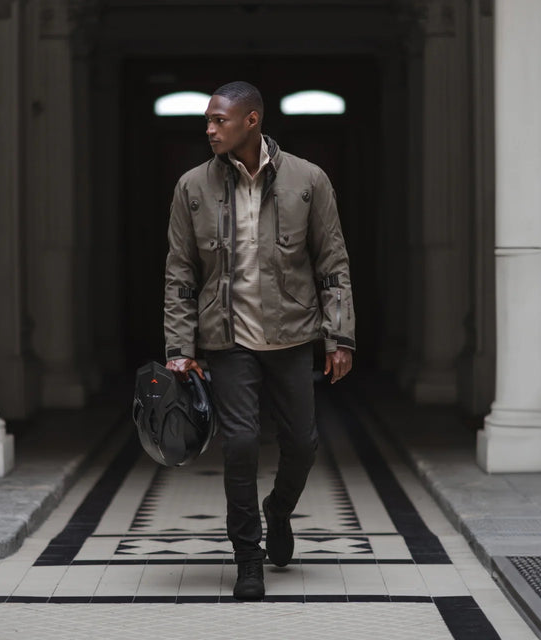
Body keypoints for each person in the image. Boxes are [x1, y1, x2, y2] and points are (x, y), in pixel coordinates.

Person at [163, 81, 355, 600]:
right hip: (227, 341)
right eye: (207, 120)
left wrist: (340, 337)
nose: (209, 129)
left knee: (302, 445)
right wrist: (180, 350)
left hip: (292, 337)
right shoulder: (192, 187)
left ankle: (279, 511)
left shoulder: (308, 180)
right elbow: (180, 273)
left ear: (251, 121)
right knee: (241, 445)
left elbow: (332, 262)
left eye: (219, 120)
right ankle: (248, 559)